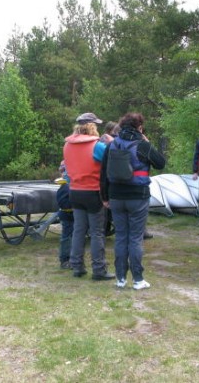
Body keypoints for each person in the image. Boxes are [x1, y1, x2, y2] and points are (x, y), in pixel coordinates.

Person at [101, 113, 166, 290]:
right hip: (137, 196)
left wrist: (105, 197)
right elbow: (161, 163)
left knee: (121, 237)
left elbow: (103, 174)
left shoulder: (112, 145)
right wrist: (147, 141)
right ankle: (138, 279)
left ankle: (120, 279)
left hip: (116, 197)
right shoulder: (143, 145)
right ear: (139, 127)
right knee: (135, 238)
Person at [63, 112, 114, 281]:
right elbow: (111, 163)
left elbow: (68, 171)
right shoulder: (97, 146)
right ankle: (99, 269)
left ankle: (77, 266)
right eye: (96, 125)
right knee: (97, 233)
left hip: (75, 191)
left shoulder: (67, 146)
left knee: (78, 230)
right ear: (92, 126)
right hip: (93, 192)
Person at [56, 161, 73, 269]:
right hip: (67, 215)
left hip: (73, 214)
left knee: (74, 237)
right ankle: (65, 260)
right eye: (62, 172)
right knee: (66, 238)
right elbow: (63, 204)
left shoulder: (69, 185)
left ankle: (73, 259)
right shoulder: (64, 187)